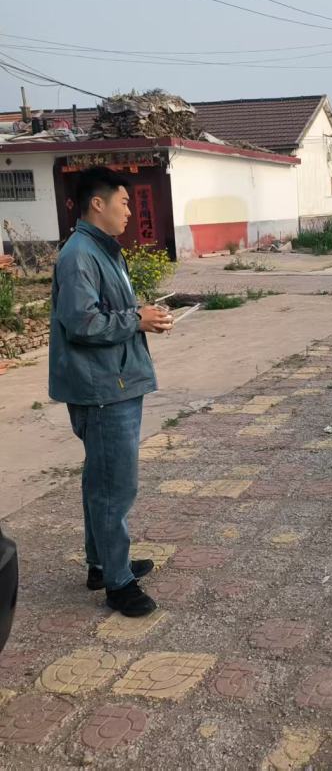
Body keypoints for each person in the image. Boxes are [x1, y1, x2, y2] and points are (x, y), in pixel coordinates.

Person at [49, 167, 173, 617]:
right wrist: (135, 319)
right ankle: (118, 584)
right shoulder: (79, 255)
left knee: (100, 480)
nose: (129, 212)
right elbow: (82, 322)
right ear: (97, 204)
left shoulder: (102, 250)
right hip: (101, 388)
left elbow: (106, 311)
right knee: (114, 487)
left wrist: (142, 317)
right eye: (123, 202)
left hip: (114, 380)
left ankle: (103, 564)